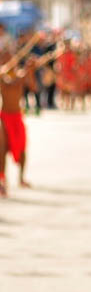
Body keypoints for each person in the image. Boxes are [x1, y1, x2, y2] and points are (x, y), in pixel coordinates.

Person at [0, 49, 38, 195]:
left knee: (22, 147)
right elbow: (5, 82)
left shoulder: (20, 74)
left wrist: (31, 70)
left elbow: (33, 87)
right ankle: (2, 181)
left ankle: (21, 178)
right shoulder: (3, 76)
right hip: (4, 116)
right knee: (1, 149)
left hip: (17, 116)